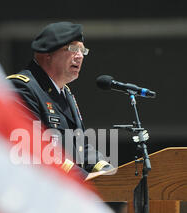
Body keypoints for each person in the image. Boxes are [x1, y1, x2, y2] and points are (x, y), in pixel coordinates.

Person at [7, 22, 137, 178]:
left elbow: (80, 145)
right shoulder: (21, 87)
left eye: (83, 51)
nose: (80, 56)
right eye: (73, 49)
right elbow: (34, 147)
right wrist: (84, 180)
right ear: (48, 52)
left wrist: (108, 171)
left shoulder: (64, 92)